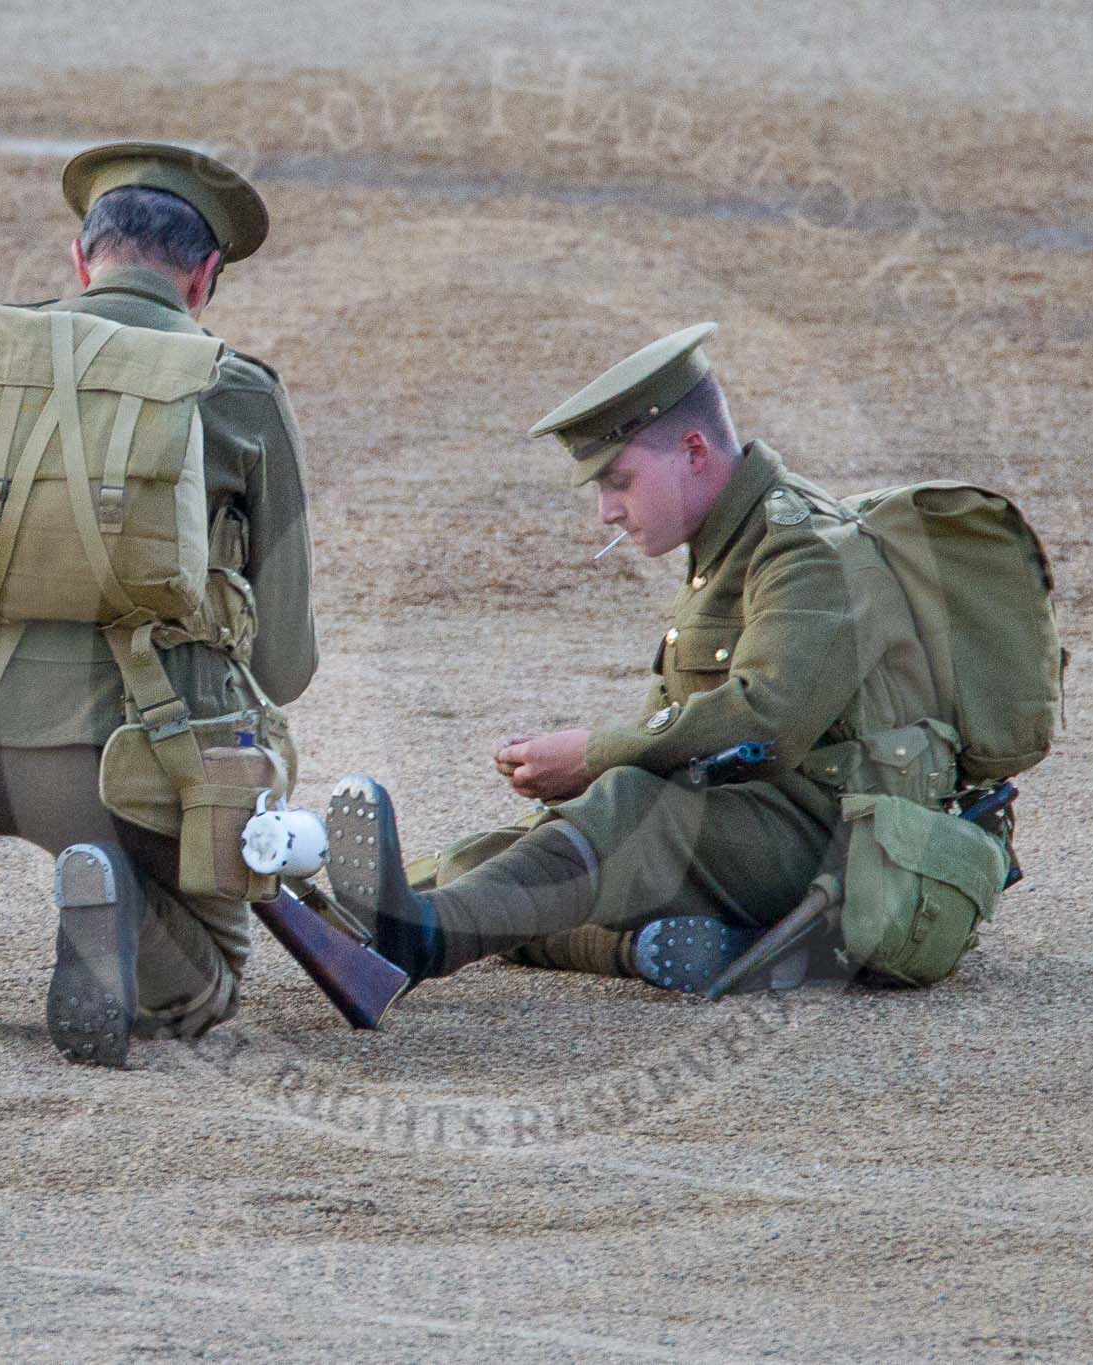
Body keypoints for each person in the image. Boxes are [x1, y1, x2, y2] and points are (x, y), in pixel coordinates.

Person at [0, 141, 316, 1063]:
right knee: (211, 980)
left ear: (81, 257)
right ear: (203, 280)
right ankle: (120, 907)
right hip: (141, 769)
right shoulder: (240, 390)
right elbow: (283, 665)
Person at [327, 323, 946, 994]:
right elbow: (686, 739)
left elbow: (766, 723)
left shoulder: (803, 550)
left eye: (619, 480)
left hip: (837, 842)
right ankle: (371, 916)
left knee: (625, 812)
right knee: (521, 856)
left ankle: (419, 937)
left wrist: (595, 755)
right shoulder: (728, 545)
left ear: (692, 450)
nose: (606, 511)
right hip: (754, 823)